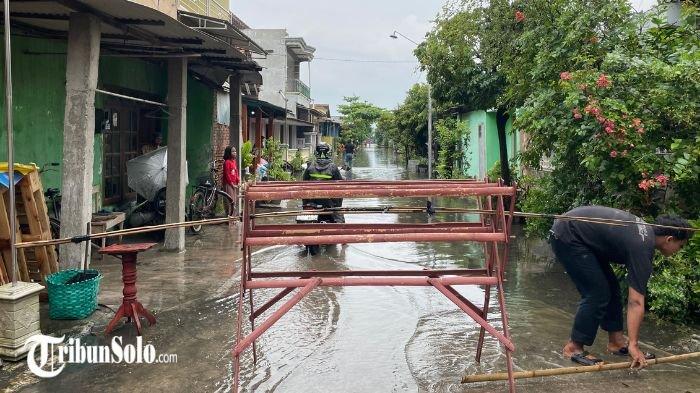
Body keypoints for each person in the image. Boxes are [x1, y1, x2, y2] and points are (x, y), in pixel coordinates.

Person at [549, 206, 691, 368]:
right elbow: (636, 301)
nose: (678, 251)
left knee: (612, 288)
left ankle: (616, 342)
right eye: (680, 246)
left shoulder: (645, 235)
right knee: (597, 293)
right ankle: (573, 348)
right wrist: (634, 345)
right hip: (568, 235)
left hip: (580, 235)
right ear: (669, 239)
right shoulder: (642, 246)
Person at [302, 142, 344, 222]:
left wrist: (305, 204)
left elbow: (303, 184)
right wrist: (338, 205)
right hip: (329, 203)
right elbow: (340, 187)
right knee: (340, 222)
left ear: (316, 153)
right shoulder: (333, 168)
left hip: (312, 201)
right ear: (329, 153)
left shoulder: (310, 167)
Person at [222, 146, 239, 216]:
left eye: (235, 151)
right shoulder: (227, 162)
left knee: (234, 201)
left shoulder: (234, 162)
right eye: (233, 151)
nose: (235, 153)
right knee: (229, 201)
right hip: (228, 184)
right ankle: (229, 217)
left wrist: (238, 180)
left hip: (234, 184)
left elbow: (236, 171)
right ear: (229, 153)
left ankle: (233, 217)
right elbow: (227, 174)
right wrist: (231, 183)